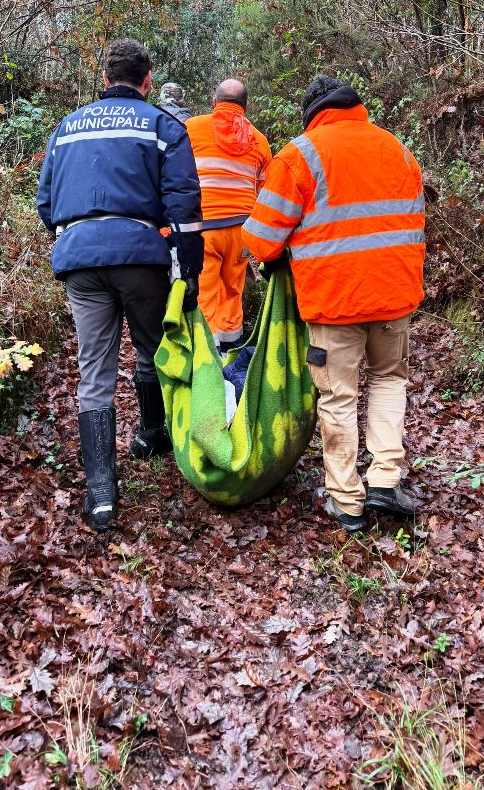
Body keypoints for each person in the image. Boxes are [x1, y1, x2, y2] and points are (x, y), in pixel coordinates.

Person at [242, 76, 425, 533]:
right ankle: (385, 479)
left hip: (334, 300)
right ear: (354, 106)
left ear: (311, 114)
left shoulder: (300, 156)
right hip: (394, 294)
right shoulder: (397, 149)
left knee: (339, 396)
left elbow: (261, 240)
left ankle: (346, 500)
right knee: (388, 380)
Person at [37, 39, 203, 533]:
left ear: (104, 77)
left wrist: (77, 238)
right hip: (140, 256)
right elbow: (184, 205)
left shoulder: (67, 127)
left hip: (80, 258)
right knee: (151, 348)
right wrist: (188, 271)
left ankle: (102, 494)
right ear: (148, 80)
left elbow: (46, 203)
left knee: (94, 368)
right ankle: (153, 434)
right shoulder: (162, 126)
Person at [186, 79, 272, 353]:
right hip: (240, 230)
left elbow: (177, 177)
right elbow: (266, 193)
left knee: (206, 289)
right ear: (246, 106)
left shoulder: (191, 129)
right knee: (233, 289)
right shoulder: (259, 140)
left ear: (214, 102)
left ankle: (208, 354)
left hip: (204, 228)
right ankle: (231, 348)